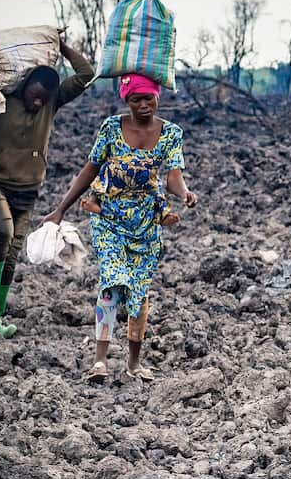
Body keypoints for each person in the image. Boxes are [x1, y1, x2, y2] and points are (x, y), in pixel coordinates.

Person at [43, 73, 198, 383]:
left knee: (139, 291)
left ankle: (134, 364)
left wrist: (184, 194)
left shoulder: (171, 134)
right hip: (108, 218)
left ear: (157, 97)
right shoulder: (112, 128)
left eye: (148, 98)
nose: (143, 105)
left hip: (146, 223)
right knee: (112, 282)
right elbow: (90, 169)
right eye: (135, 99)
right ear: (126, 101)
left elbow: (173, 177)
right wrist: (60, 209)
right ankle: (100, 361)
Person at [0, 36, 94, 337]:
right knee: (3, 232)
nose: (38, 102)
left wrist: (60, 44)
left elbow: (86, 74)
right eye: (35, 95)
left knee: (14, 250)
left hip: (28, 190)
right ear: (25, 85)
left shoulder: (51, 101)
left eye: (44, 98)